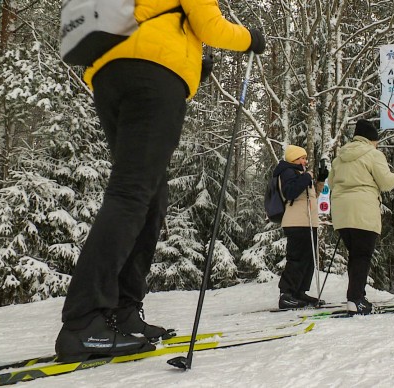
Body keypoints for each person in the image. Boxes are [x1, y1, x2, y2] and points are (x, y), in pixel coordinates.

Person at [55, 1, 266, 362]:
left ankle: (123, 311)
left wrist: (191, 63)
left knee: (150, 195)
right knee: (132, 193)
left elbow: (151, 21)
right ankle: (83, 321)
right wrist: (251, 39)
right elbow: (211, 26)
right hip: (153, 76)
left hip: (111, 75)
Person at [329, 119, 394, 315]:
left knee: (355, 254)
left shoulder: (340, 156)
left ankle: (357, 294)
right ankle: (355, 299)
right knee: (362, 255)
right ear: (371, 139)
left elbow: (331, 182)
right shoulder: (373, 154)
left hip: (342, 212)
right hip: (363, 210)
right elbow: (385, 182)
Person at [274, 145, 326, 309]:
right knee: (297, 258)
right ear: (293, 159)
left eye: (305, 157)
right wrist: (305, 178)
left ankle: (299, 291)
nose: (305, 160)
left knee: (308, 258)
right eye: (301, 158)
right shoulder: (287, 171)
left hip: (307, 221)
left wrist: (320, 180)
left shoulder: (300, 173)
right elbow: (290, 192)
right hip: (296, 221)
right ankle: (287, 293)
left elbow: (311, 196)